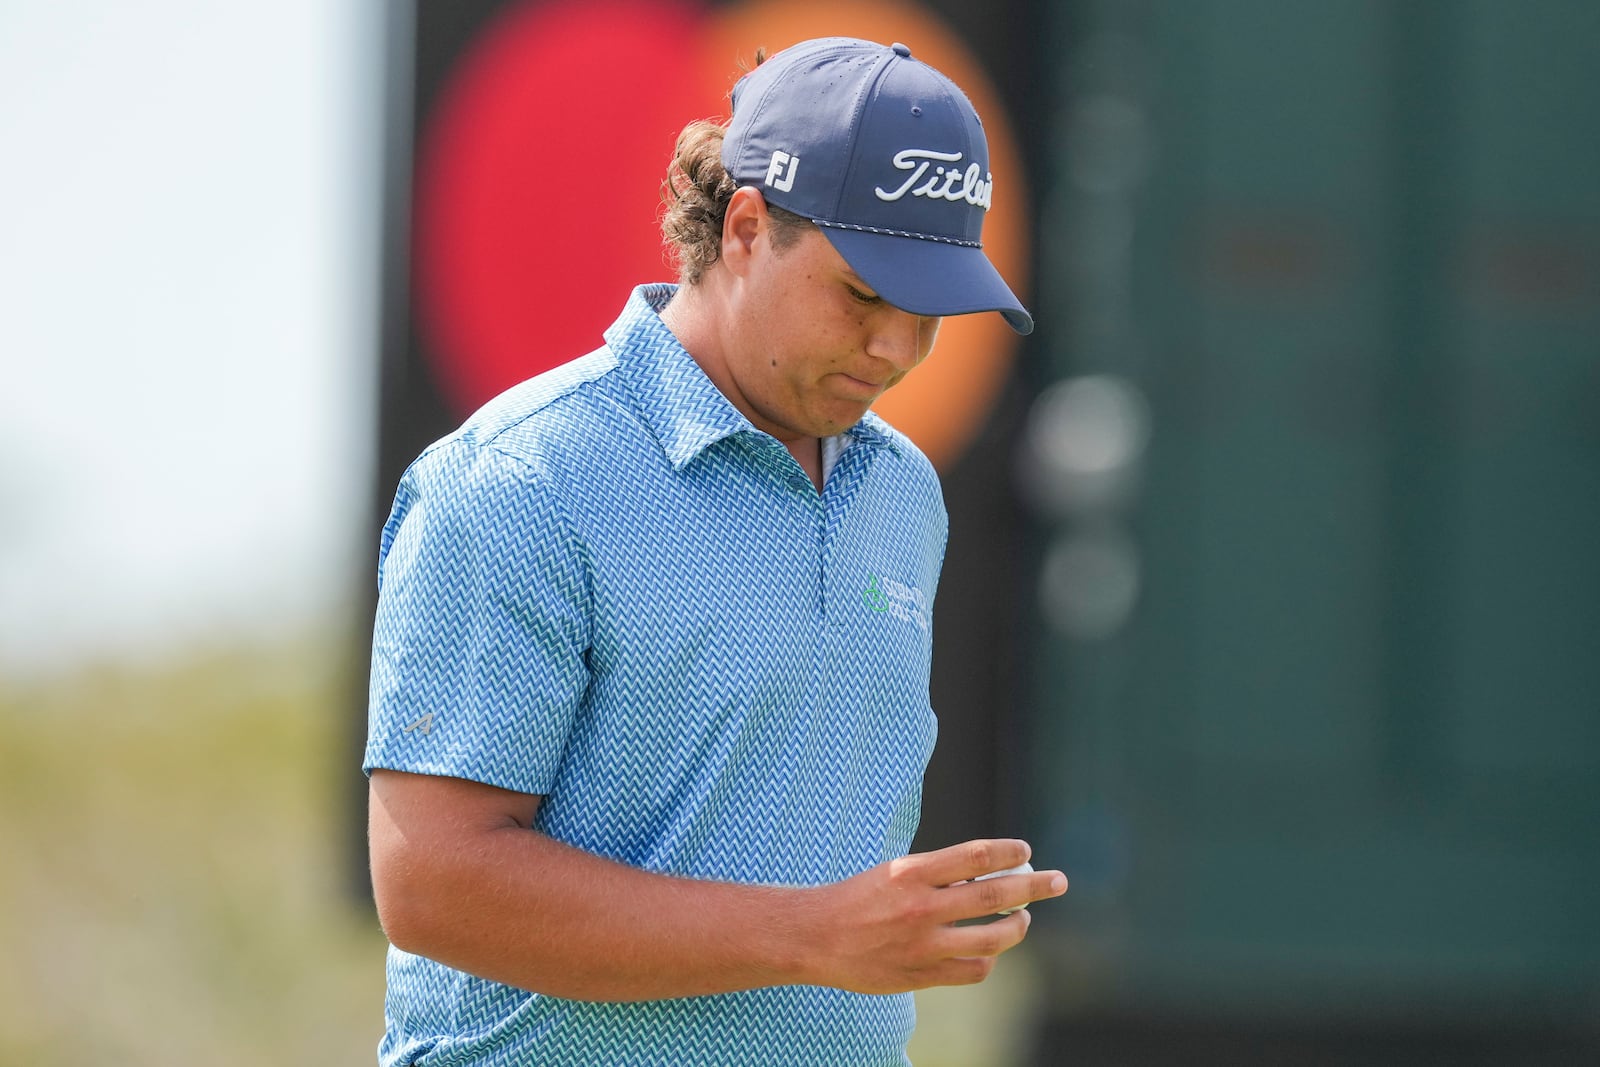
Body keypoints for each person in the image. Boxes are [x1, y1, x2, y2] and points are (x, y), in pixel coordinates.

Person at [364, 36, 1065, 1066]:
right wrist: (814, 935)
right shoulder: (522, 478)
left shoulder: (903, 491)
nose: (896, 350)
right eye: (863, 293)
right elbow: (431, 884)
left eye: (930, 313)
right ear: (745, 226)